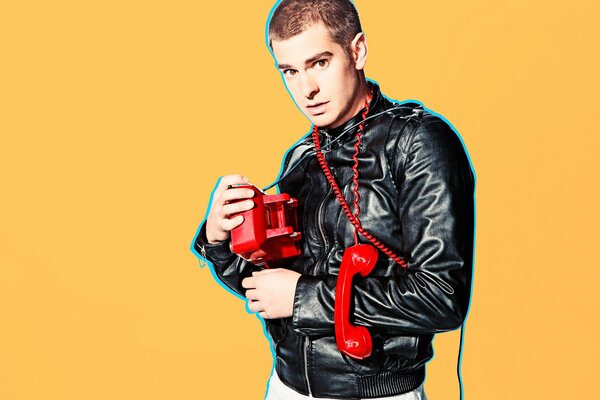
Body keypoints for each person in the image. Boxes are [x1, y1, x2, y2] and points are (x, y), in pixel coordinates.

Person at [192, 0, 474, 398]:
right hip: (287, 387)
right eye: (290, 71)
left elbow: (442, 298)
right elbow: (270, 292)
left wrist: (303, 296)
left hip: (377, 393)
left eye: (319, 63)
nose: (306, 89)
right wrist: (221, 240)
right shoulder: (301, 156)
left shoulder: (418, 143)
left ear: (357, 51)